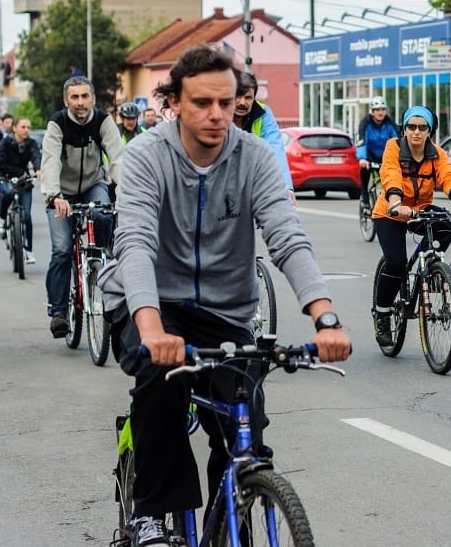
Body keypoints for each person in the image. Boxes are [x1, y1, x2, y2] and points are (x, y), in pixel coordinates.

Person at [97, 44, 351, 547]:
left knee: (244, 425)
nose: (216, 115)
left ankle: (231, 521)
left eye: (226, 102)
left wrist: (325, 318)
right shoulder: (147, 155)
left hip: (224, 311)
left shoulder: (254, 158)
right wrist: (150, 328)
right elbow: (137, 243)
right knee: (161, 378)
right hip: (150, 303)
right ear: (175, 102)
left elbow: (287, 237)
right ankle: (152, 512)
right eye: (201, 103)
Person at [371, 105, 451, 346]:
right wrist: (396, 202)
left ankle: (431, 268)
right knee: (395, 263)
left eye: (422, 127)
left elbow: (448, 177)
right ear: (404, 129)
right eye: (411, 127)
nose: (416, 132)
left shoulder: (437, 153)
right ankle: (383, 315)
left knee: (447, 224)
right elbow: (391, 176)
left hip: (421, 209)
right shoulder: (393, 148)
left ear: (430, 131)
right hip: (391, 211)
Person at [40, 76, 124, 338]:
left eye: (84, 96)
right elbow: (51, 160)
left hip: (92, 185)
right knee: (63, 249)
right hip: (61, 193)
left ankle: (98, 261)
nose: (80, 102)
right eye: (74, 97)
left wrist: (124, 192)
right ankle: (58, 312)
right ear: (66, 100)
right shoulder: (58, 123)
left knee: (102, 213)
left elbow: (118, 157)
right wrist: (54, 196)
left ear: (93, 99)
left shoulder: (102, 121)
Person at [233, 72, 295, 197]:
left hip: (252, 179)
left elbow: (275, 149)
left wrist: (285, 188)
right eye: (237, 96)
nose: (242, 102)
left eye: (248, 98)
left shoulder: (263, 113)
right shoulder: (219, 111)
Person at [0, 118, 42, 264]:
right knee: (8, 193)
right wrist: (19, 173)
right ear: (15, 128)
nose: (27, 130)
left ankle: (28, 251)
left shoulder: (31, 143)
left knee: (27, 216)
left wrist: (38, 169)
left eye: (28, 127)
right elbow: (0, 163)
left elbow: (36, 156)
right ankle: (1, 219)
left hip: (23, 180)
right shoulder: (5, 142)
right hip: (5, 177)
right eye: (23, 127)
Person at [356, 96, 399, 207]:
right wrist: (362, 158)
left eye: (383, 109)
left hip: (385, 154)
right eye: (378, 110)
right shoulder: (365, 123)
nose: (381, 112)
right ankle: (364, 196)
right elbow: (361, 141)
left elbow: (397, 140)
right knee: (365, 169)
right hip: (369, 154)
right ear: (372, 112)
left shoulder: (389, 123)